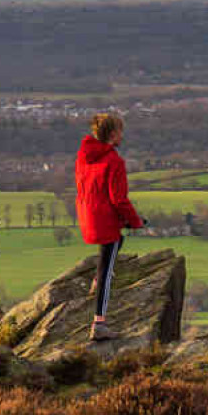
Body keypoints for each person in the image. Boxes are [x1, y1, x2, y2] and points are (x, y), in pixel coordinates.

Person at [75, 113, 144, 341]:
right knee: (107, 268)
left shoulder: (83, 158)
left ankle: (97, 280)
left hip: (88, 215)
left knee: (112, 249)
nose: (122, 135)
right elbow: (118, 200)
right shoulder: (114, 161)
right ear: (113, 135)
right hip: (104, 219)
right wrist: (135, 221)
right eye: (120, 131)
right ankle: (99, 323)